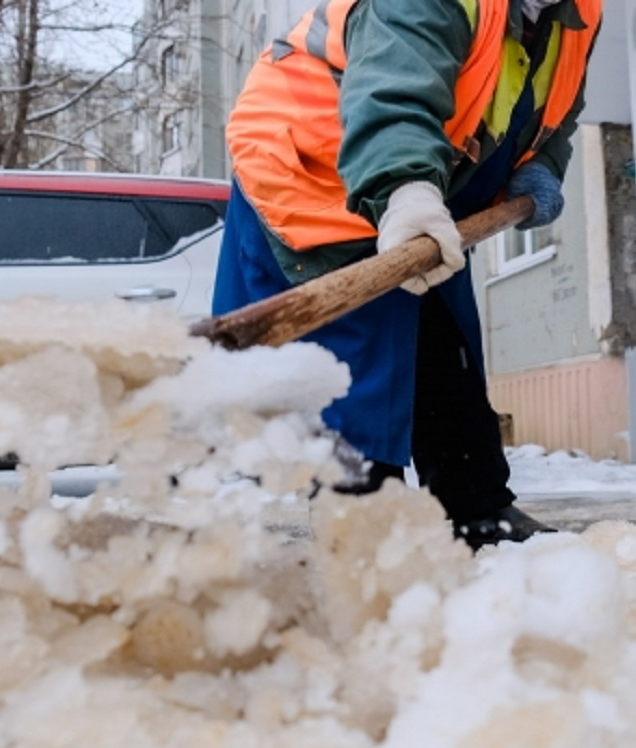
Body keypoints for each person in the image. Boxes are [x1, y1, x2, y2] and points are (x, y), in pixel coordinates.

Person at [213, 0, 602, 549]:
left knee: (446, 343)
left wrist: (543, 164)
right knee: (355, 369)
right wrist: (406, 190)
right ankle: (363, 534)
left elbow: (557, 109)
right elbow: (391, 97)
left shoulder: (577, 14)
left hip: (426, 187)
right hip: (317, 173)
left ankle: (478, 511)